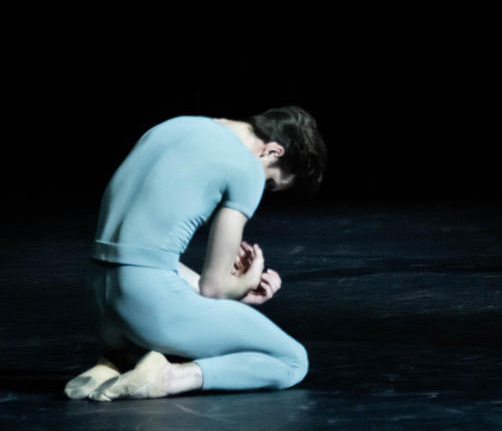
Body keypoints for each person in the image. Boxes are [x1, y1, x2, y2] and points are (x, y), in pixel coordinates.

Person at [64, 106, 327, 400]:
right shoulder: (247, 166)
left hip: (99, 303)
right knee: (292, 361)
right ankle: (170, 377)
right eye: (270, 182)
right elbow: (214, 288)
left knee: (168, 293)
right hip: (145, 308)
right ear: (273, 151)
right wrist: (248, 280)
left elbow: (137, 255)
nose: (262, 186)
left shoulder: (171, 126)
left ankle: (113, 362)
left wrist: (235, 292)